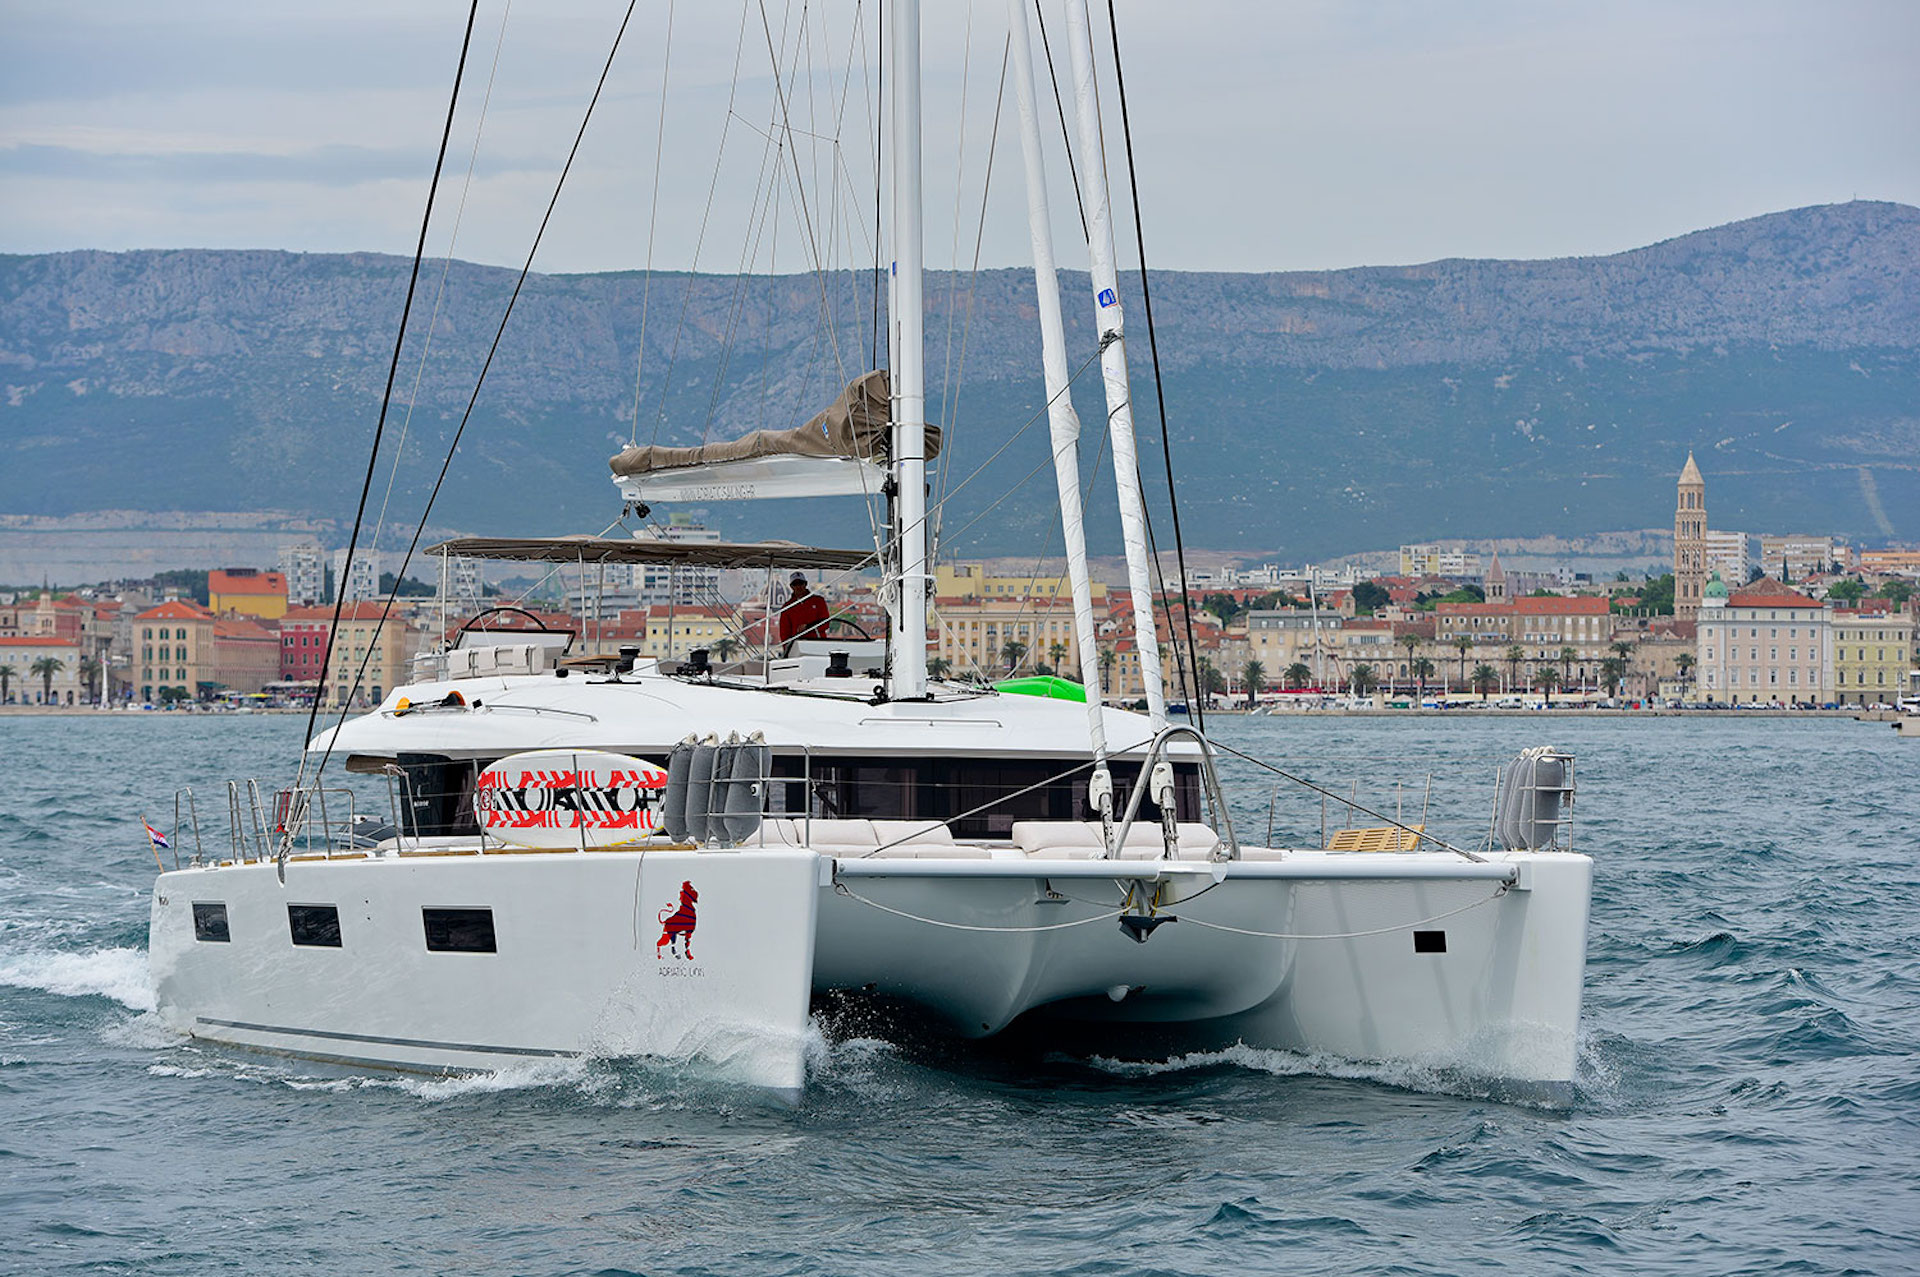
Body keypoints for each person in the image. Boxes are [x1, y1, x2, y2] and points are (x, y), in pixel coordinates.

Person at [777, 572, 830, 647]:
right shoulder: (787, 607)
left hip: (818, 643)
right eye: (795, 584)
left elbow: (825, 623)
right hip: (797, 646)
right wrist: (786, 650)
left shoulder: (819, 601)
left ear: (806, 584)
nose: (799, 586)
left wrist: (808, 626)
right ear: (791, 586)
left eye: (801, 583)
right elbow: (784, 632)